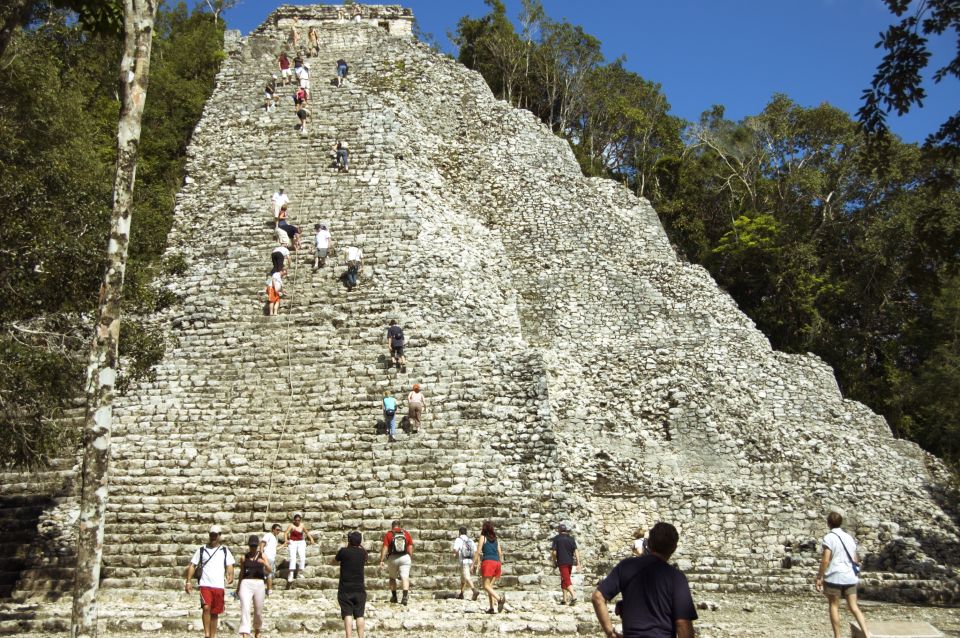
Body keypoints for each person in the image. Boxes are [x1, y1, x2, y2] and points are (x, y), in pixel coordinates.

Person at [592, 521, 697, 638]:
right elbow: (683, 624)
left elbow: (598, 597)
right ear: (673, 548)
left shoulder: (626, 566)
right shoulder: (677, 577)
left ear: (650, 543)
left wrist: (610, 633)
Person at [815, 512, 871, 638]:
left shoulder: (829, 538)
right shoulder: (848, 537)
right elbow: (855, 558)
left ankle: (838, 636)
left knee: (834, 606)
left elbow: (825, 559)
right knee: (854, 606)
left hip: (835, 576)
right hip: (849, 576)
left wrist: (819, 577)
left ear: (828, 523)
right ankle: (866, 634)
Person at [184, 525, 236, 638]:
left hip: (218, 585)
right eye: (211, 535)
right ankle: (207, 634)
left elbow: (230, 564)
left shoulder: (225, 550)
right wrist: (188, 581)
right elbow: (193, 565)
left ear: (219, 536)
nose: (213, 537)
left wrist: (230, 574)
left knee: (215, 612)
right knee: (206, 607)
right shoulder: (202, 549)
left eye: (215, 535)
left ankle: (212, 636)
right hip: (205, 584)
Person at [334, 531, 368, 638]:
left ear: (349, 540)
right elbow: (366, 555)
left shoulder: (343, 552)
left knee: (347, 614)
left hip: (345, 589)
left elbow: (334, 561)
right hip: (359, 589)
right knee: (360, 615)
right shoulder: (363, 553)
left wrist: (347, 545)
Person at [236, 534, 270, 638]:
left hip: (259, 583)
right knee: (245, 607)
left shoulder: (263, 556)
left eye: (255, 546)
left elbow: (269, 571)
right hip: (246, 584)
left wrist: (264, 563)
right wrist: (238, 587)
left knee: (258, 610)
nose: (253, 548)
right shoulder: (244, 557)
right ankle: (245, 632)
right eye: (251, 546)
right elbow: (241, 572)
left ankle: (257, 628)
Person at [473, 521, 505, 614]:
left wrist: (473, 564)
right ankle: (491, 608)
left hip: (488, 562)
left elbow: (478, 552)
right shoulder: (496, 539)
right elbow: (500, 553)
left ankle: (500, 599)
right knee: (490, 586)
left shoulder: (483, 537)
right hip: (497, 563)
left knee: (486, 586)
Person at [379, 521, 413, 605]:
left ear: (392, 526)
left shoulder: (389, 534)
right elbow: (410, 546)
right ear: (400, 526)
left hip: (393, 558)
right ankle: (405, 597)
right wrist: (410, 557)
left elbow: (385, 547)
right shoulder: (406, 534)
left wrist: (382, 560)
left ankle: (394, 597)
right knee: (405, 577)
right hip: (405, 557)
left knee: (392, 578)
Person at [551, 523, 581, 605]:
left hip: (562, 562)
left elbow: (554, 552)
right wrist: (578, 563)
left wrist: (554, 561)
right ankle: (564, 599)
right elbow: (576, 551)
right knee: (564, 579)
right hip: (570, 562)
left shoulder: (556, 539)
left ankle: (574, 596)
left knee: (566, 580)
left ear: (559, 530)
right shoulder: (571, 539)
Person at [285, 512, 317, 582]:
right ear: (294, 520)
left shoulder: (302, 525)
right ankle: (291, 573)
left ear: (300, 520)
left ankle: (300, 572)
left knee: (302, 558)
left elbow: (307, 533)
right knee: (293, 558)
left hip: (301, 542)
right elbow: (286, 533)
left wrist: (311, 539)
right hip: (292, 542)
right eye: (296, 520)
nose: (297, 521)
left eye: (298, 520)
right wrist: (286, 540)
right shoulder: (291, 526)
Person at [452, 526, 479, 600]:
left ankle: (474, 590)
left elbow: (455, 549)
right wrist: (476, 562)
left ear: (459, 532)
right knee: (463, 577)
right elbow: (476, 551)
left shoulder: (458, 539)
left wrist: (454, 554)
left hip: (463, 561)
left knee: (467, 577)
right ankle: (461, 593)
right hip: (470, 560)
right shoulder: (470, 540)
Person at [260, 523, 283, 595]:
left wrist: (284, 545)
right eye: (277, 530)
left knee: (268, 574)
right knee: (268, 574)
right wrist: (261, 553)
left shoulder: (275, 538)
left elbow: (275, 549)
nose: (278, 531)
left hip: (272, 558)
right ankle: (269, 590)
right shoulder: (268, 535)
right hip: (267, 557)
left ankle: (266, 589)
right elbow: (262, 543)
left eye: (279, 530)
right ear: (273, 529)